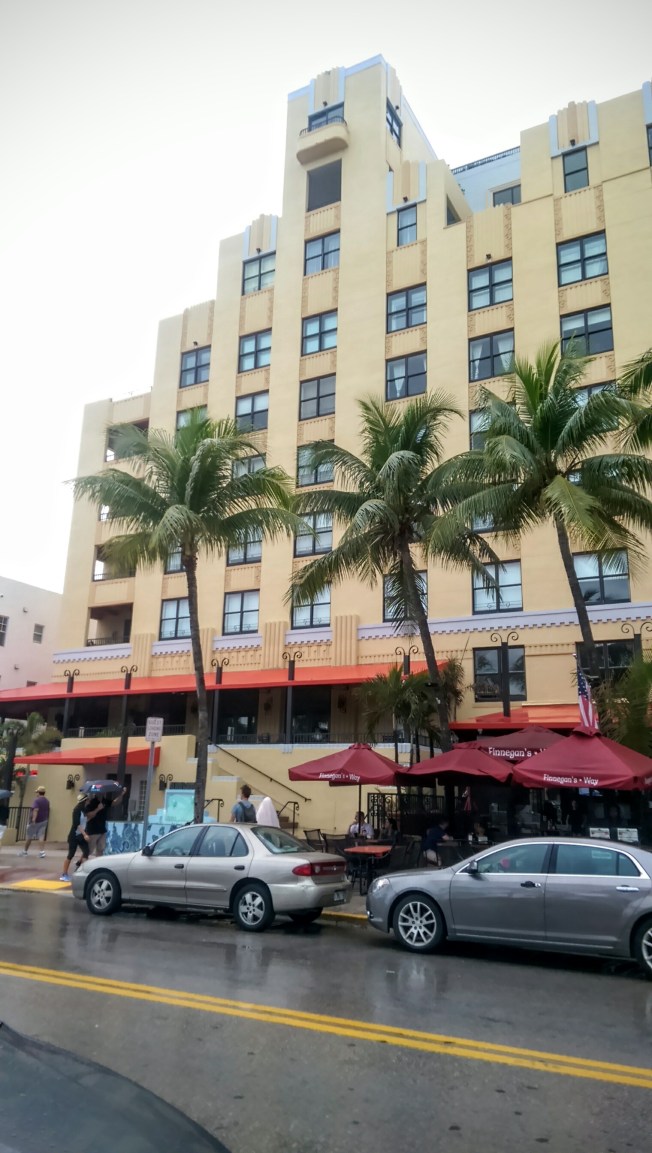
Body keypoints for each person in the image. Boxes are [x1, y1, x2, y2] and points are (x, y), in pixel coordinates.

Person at [60, 793, 101, 881]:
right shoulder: (76, 810)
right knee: (71, 854)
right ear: (84, 800)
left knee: (86, 852)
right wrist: (85, 834)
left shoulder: (84, 810)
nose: (89, 801)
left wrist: (97, 810)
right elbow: (77, 824)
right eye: (88, 800)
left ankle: (83, 872)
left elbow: (85, 820)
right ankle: (64, 874)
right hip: (74, 836)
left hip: (81, 835)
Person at [85, 787, 127, 856]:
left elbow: (115, 802)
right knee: (89, 851)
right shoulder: (92, 802)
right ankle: (81, 861)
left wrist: (122, 794)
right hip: (92, 831)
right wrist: (98, 809)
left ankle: (98, 862)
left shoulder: (104, 801)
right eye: (100, 792)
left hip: (102, 830)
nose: (102, 793)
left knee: (101, 849)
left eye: (103, 791)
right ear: (97, 793)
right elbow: (88, 815)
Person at [20, 786, 50, 857]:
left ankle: (25, 851)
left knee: (29, 836)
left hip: (36, 821)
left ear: (39, 793)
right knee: (41, 836)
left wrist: (33, 820)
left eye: (37, 792)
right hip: (44, 820)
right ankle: (42, 852)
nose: (36, 794)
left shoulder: (37, 801)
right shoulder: (47, 801)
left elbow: (35, 810)